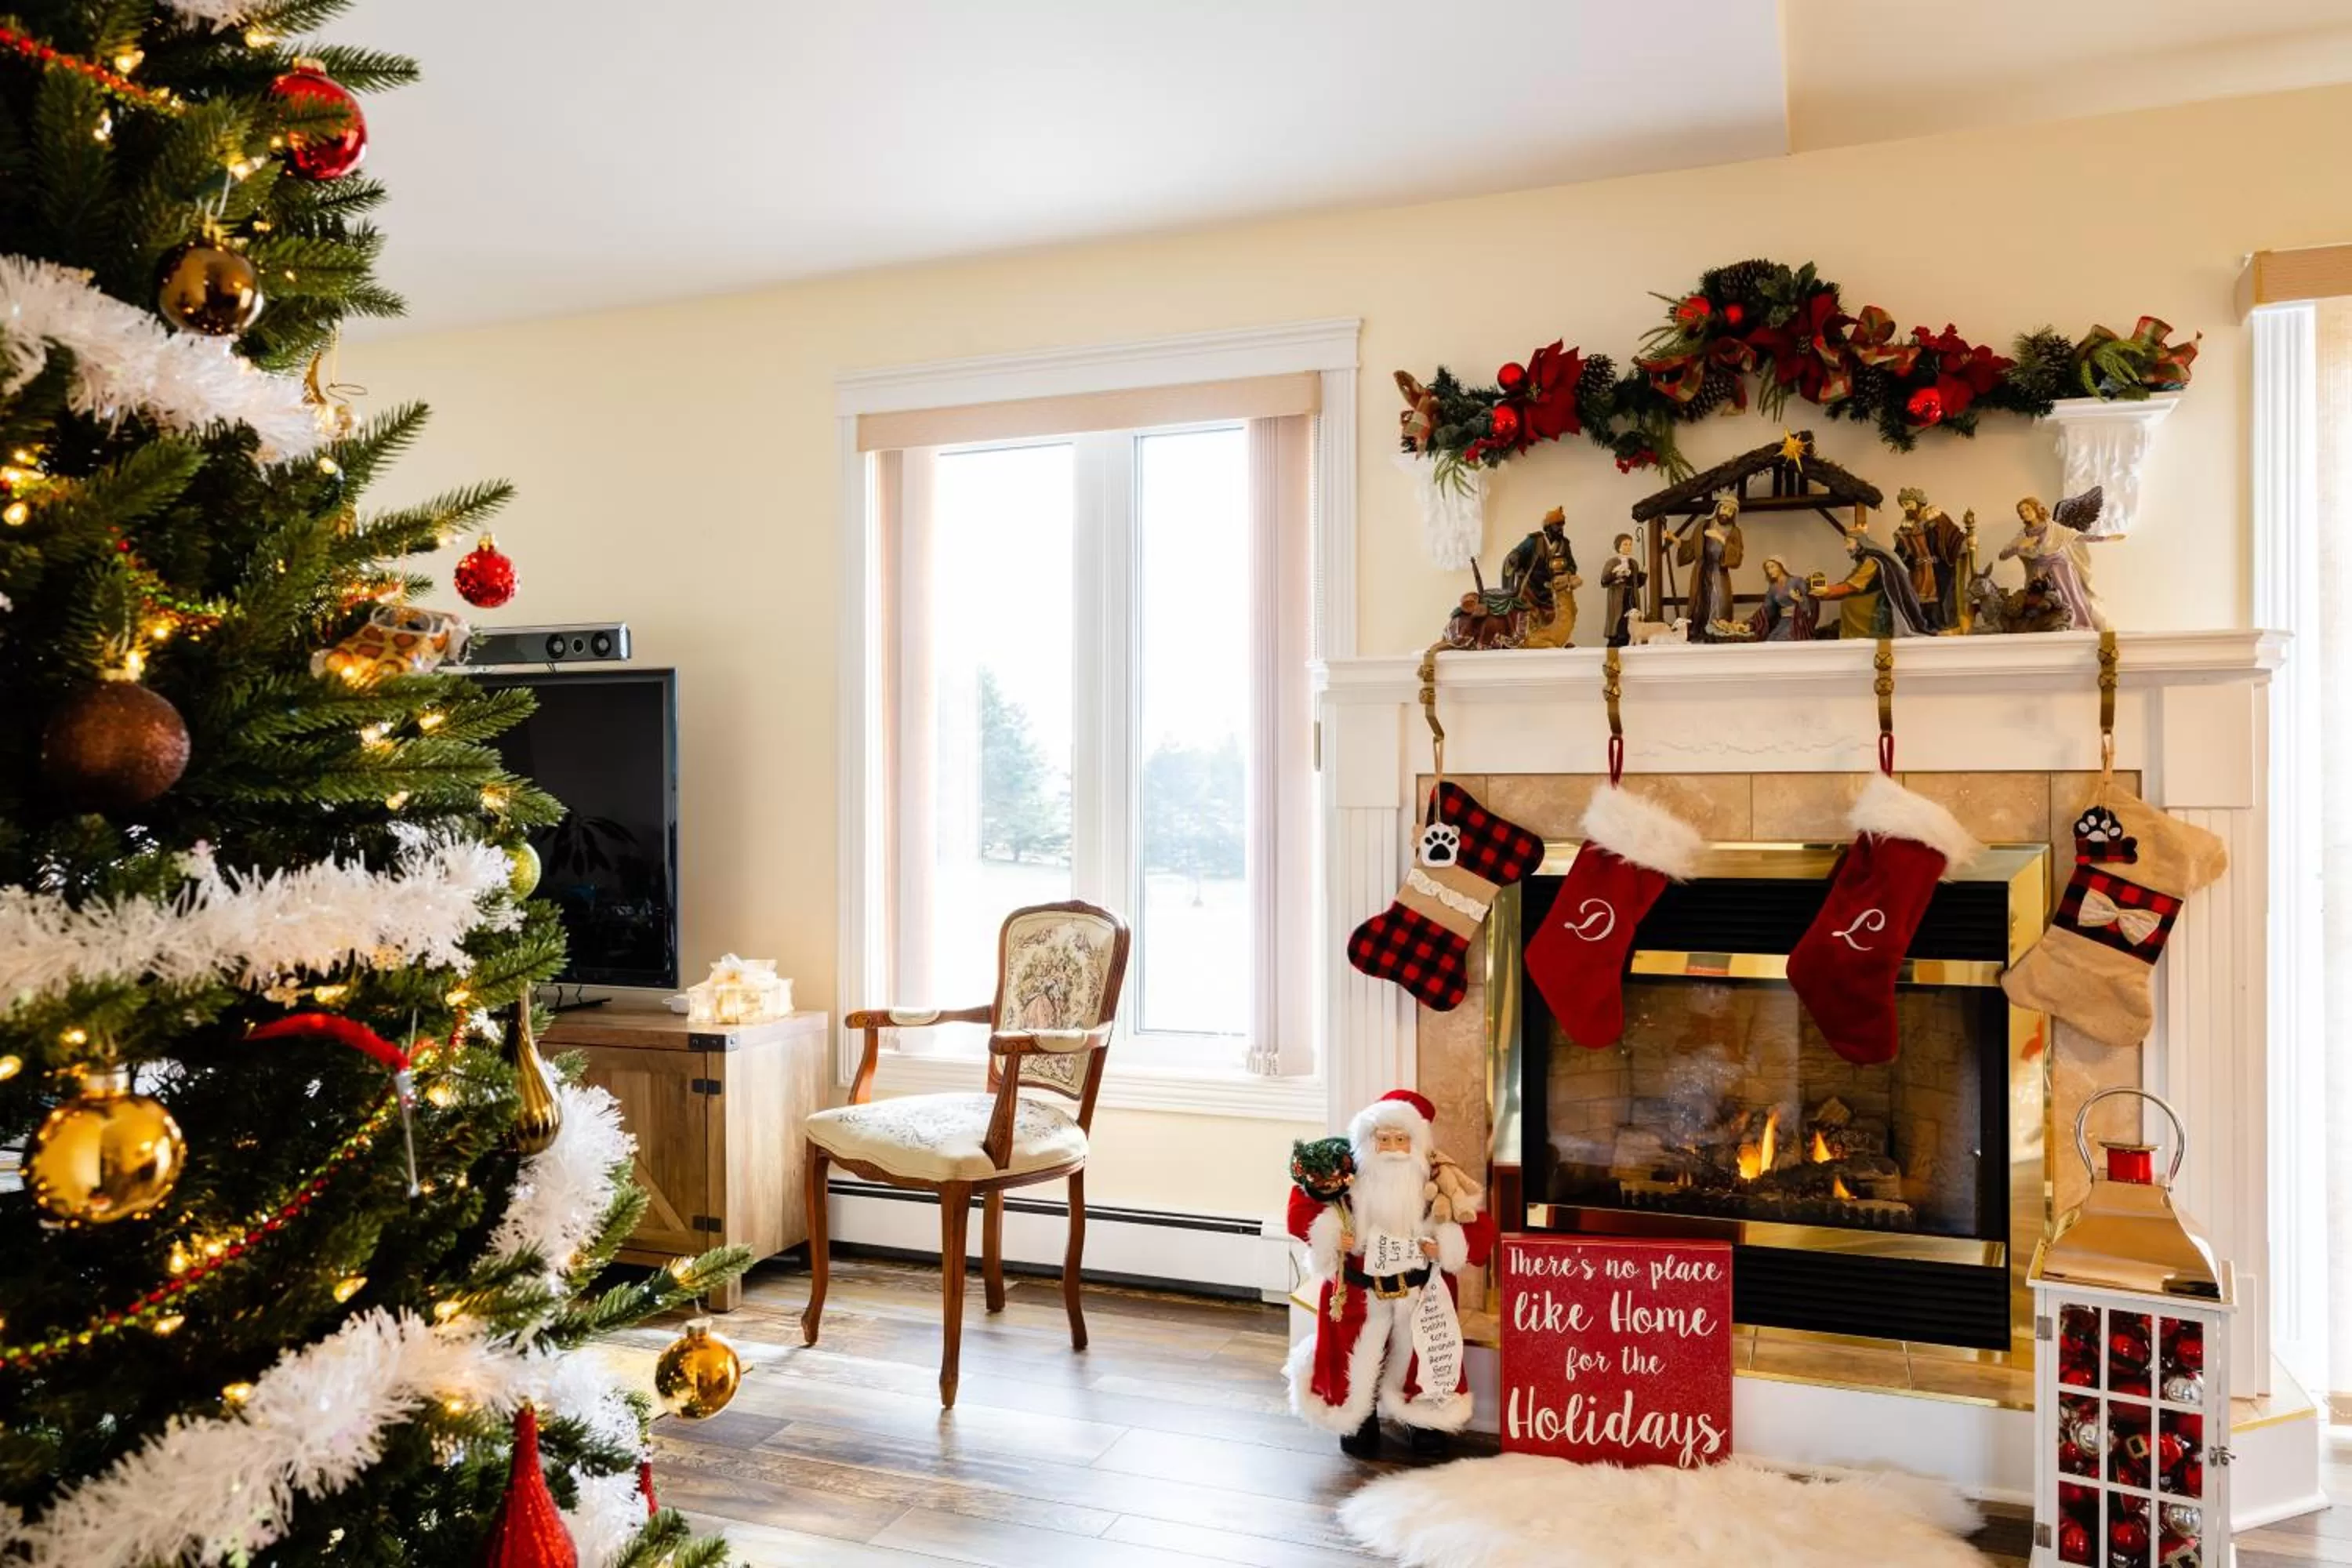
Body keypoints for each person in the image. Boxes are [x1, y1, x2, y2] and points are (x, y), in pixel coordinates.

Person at [1286, 1091, 1492, 1457]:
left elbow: (1480, 1229)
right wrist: (1334, 1232)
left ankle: (1425, 1419)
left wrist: (1444, 1243)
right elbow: (1301, 1209)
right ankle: (1357, 1418)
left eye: (1402, 1139)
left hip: (1419, 1292)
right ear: (1367, 1142)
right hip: (1358, 1293)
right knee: (1352, 1357)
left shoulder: (1439, 1183)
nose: (1393, 1149)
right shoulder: (1346, 1181)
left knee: (1424, 1358)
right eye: (1384, 1140)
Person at [1999, 495, 2107, 630]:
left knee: (2070, 597)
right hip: (2040, 572)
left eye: (2027, 509)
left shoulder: (2053, 528)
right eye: (2021, 512)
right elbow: (2003, 555)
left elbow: (2078, 536)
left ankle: (2076, 623)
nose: (2024, 514)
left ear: (2036, 509)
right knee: (2039, 601)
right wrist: (2020, 546)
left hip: (2060, 568)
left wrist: (2104, 539)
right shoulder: (2024, 534)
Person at [1809, 525, 1936, 638]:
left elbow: (1854, 586)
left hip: (1884, 600)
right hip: (1875, 594)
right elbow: (1851, 581)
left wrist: (1828, 591)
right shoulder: (1864, 559)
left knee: (1850, 604)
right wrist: (1826, 593)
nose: (1846, 547)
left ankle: (1857, 633)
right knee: (1850, 601)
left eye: (1848, 543)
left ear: (1859, 543)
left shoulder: (1872, 560)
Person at [1501, 506, 1582, 648]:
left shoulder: (1564, 544)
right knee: (1527, 623)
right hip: (1531, 590)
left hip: (1552, 593)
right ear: (1548, 527)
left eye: (1562, 526)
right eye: (1557, 526)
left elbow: (1572, 566)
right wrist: (1514, 558)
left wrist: (1567, 575)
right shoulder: (1534, 541)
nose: (1561, 529)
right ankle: (1524, 643)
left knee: (1555, 621)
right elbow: (1517, 554)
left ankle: (1554, 643)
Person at [1893, 488, 1968, 631]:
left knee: (1939, 603)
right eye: (1903, 505)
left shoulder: (1936, 519)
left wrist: (1966, 542)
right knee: (1917, 601)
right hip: (1918, 572)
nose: (1905, 508)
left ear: (1919, 502)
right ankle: (1922, 627)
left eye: (1908, 504)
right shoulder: (1905, 528)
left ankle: (1943, 626)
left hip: (1937, 570)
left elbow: (1952, 537)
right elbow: (1901, 552)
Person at [1675, 492, 1744, 640]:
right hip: (1703, 570)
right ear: (1718, 508)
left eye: (1731, 511)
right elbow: (1691, 547)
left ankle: (1719, 631)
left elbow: (1737, 555)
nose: (1727, 513)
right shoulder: (1703, 525)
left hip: (1720, 571)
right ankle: (1700, 631)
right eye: (1725, 508)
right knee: (1700, 599)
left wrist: (1720, 537)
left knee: (1721, 600)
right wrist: (1674, 539)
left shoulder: (1734, 531)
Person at [1747, 555, 1817, 642]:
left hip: (1797, 622)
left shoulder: (1796, 581)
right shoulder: (1773, 588)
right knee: (1770, 641)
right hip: (1784, 620)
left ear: (1781, 566)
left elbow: (1810, 599)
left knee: (1782, 640)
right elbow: (1766, 609)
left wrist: (1799, 599)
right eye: (1767, 568)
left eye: (1772, 567)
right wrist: (1751, 623)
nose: (1770, 571)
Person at [1601, 532, 1646, 648]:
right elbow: (1604, 581)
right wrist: (1616, 575)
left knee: (1633, 616)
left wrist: (1643, 575)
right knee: (1620, 617)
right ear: (1618, 546)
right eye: (1625, 544)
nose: (1628, 547)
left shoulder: (1634, 563)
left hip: (1632, 595)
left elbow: (1637, 583)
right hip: (1618, 597)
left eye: (1630, 544)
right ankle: (1617, 637)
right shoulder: (1612, 562)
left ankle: (1632, 636)